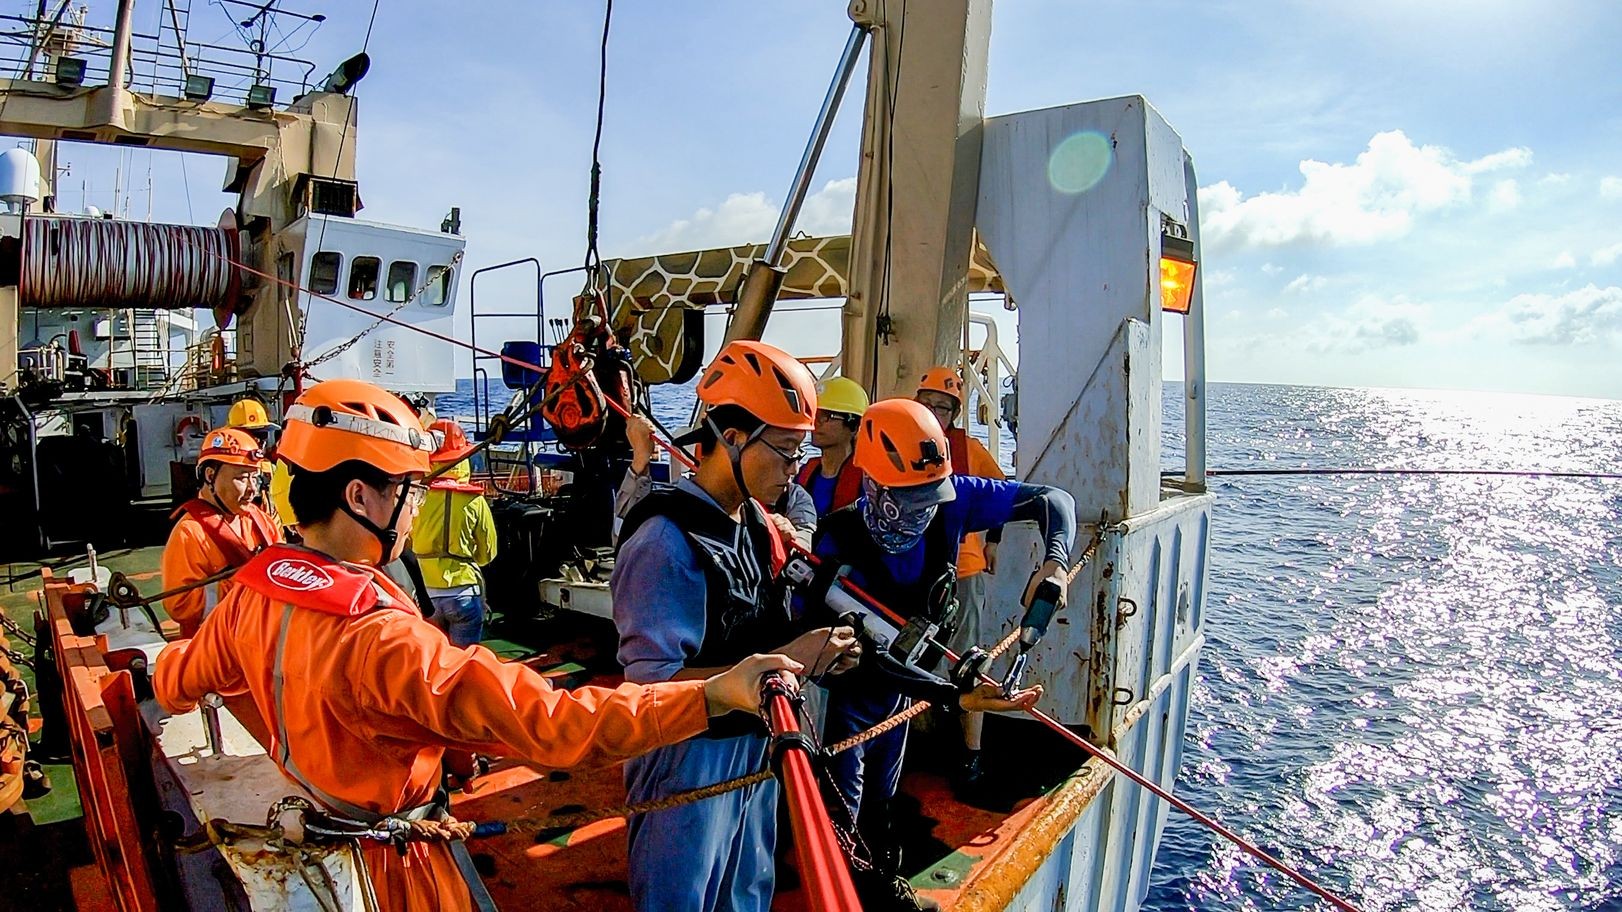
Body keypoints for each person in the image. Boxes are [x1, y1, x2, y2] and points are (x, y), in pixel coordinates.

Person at [153, 378, 803, 912]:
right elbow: (553, 724)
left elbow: (178, 678)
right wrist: (710, 695)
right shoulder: (383, 640)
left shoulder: (254, 593)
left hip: (309, 843)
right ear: (359, 496)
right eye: (410, 493)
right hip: (392, 872)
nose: (414, 511)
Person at [612, 341, 861, 912]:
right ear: (732, 438)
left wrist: (814, 655)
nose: (796, 473)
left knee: (746, 892)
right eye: (786, 452)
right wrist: (792, 658)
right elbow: (651, 693)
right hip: (686, 766)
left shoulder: (753, 520)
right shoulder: (663, 544)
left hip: (752, 748)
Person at [813, 397, 1074, 892]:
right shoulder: (836, 540)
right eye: (908, 500)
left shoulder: (955, 502)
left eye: (929, 499)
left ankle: (881, 871)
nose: (921, 512)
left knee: (884, 799)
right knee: (842, 804)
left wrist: (1056, 562)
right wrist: (953, 694)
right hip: (849, 691)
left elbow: (1053, 501)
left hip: (907, 692)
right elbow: (864, 658)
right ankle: (845, 884)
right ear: (870, 481)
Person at [914, 366, 1008, 791]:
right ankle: (918, 743)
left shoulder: (968, 450)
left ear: (954, 411)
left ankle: (971, 754)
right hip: (915, 572)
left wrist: (993, 541)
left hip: (964, 571)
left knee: (969, 661)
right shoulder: (901, 443)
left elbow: (1004, 493)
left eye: (943, 406)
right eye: (928, 403)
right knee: (914, 660)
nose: (935, 412)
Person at [160, 427, 281, 638]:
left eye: (256, 478)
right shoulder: (190, 533)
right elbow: (179, 605)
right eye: (243, 478)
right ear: (210, 475)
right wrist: (245, 588)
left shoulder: (258, 519)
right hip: (215, 655)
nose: (252, 489)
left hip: (259, 644)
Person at [412, 419, 498, 647]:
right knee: (463, 664)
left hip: (425, 594)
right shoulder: (475, 501)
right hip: (464, 593)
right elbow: (488, 553)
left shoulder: (414, 496)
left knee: (432, 660)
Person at [795, 376, 868, 517]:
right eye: (815, 415)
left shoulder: (867, 482)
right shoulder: (803, 472)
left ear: (854, 426)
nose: (816, 423)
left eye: (827, 416)